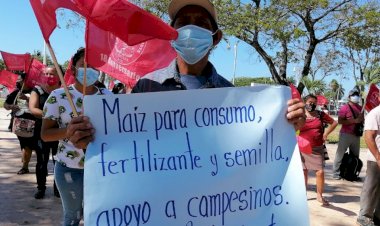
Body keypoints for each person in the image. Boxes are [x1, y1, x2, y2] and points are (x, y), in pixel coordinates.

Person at [66, 0, 306, 150]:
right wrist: (88, 138)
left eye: (201, 22)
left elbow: (253, 150)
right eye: (183, 22)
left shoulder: (234, 97)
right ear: (172, 34)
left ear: (216, 37)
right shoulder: (146, 87)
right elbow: (122, 146)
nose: (191, 29)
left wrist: (287, 124)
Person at [41, 48, 111, 225]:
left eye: (94, 66)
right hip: (69, 169)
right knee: (73, 217)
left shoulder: (109, 97)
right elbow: (45, 135)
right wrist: (68, 131)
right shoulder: (58, 96)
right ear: (73, 69)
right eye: (83, 65)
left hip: (102, 169)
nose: (89, 70)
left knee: (97, 216)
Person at [299, 94, 338, 206]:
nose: (312, 104)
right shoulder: (301, 115)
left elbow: (334, 123)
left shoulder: (320, 115)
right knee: (304, 171)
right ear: (304, 102)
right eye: (309, 102)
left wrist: (326, 133)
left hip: (317, 148)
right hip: (303, 148)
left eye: (314, 103)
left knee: (320, 172)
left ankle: (319, 196)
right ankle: (302, 194)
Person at [28, 66, 60, 199]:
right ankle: (41, 188)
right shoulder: (38, 90)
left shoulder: (63, 91)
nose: (49, 76)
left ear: (58, 76)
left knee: (59, 161)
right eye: (46, 73)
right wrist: (51, 116)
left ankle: (58, 189)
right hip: (42, 132)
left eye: (52, 74)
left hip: (60, 132)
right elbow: (33, 109)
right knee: (42, 161)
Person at [3, 73, 37, 175]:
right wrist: (11, 106)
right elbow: (5, 104)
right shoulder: (17, 92)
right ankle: (25, 165)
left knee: (28, 145)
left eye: (20, 80)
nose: (18, 81)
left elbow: (41, 105)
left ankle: (27, 165)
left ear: (26, 81)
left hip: (33, 123)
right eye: (17, 80)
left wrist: (27, 99)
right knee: (24, 145)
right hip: (19, 123)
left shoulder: (35, 92)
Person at [356, 94, 380, 226]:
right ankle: (364, 216)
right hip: (376, 158)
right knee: (372, 187)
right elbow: (368, 137)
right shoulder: (375, 113)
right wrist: (378, 156)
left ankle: (378, 216)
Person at [333, 87, 364, 179]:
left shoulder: (360, 108)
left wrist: (361, 120)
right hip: (345, 134)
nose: (356, 96)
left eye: (357, 94)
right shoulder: (345, 108)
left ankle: (351, 173)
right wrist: (354, 120)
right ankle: (336, 174)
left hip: (356, 135)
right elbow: (340, 121)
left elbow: (362, 120)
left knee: (355, 156)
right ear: (349, 96)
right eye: (353, 95)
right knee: (340, 154)